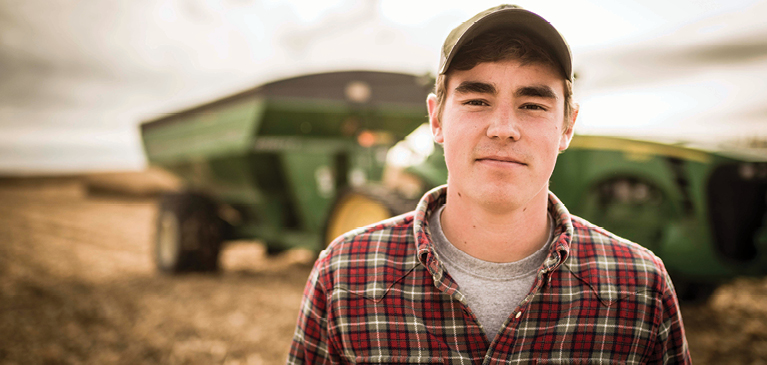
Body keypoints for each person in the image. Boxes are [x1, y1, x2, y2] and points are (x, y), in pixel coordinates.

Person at [288, 4, 690, 364]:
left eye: (532, 105)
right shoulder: (344, 275)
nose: (503, 129)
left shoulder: (640, 288)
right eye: (477, 100)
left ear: (567, 126)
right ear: (436, 118)